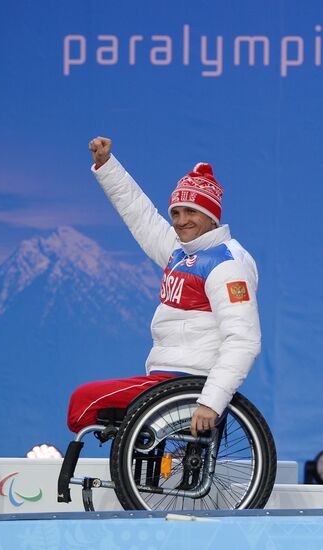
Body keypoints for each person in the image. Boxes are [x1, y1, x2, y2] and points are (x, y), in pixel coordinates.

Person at [67, 137, 261, 438]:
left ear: (211, 217)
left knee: (83, 400)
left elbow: (244, 340)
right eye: (176, 213)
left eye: (191, 212)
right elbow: (140, 216)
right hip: (165, 380)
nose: (181, 221)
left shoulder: (227, 264)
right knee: (86, 401)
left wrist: (211, 402)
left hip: (187, 384)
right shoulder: (181, 251)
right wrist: (107, 166)